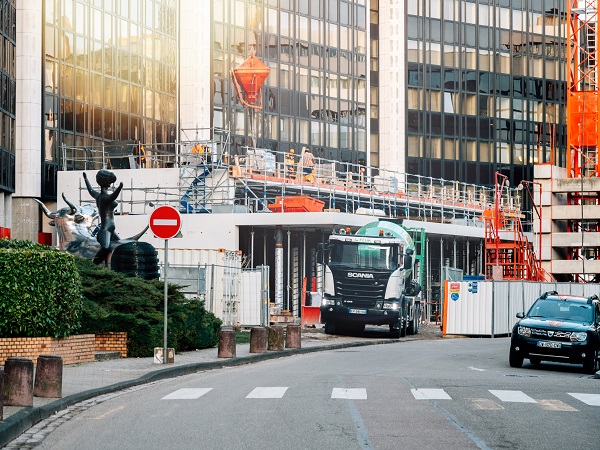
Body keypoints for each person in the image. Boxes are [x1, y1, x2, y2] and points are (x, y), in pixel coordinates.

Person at [83, 169, 123, 265]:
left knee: (120, 246)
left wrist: (86, 179)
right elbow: (113, 196)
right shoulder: (104, 198)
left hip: (110, 229)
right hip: (105, 230)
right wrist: (120, 187)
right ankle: (94, 265)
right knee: (105, 247)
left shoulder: (98, 196)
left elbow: (90, 190)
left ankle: (110, 265)